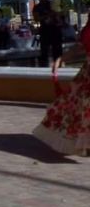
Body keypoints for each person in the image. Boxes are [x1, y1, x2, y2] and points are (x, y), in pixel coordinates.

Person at [31, 21, 90, 155]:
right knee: (74, 106)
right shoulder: (89, 27)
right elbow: (80, 46)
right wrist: (61, 59)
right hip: (87, 75)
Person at [33, 0, 62, 66]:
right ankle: (44, 67)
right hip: (45, 31)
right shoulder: (37, 7)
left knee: (57, 52)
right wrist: (48, 15)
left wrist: (56, 15)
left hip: (55, 30)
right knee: (44, 52)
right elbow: (36, 18)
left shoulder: (52, 4)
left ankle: (59, 66)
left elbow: (59, 13)